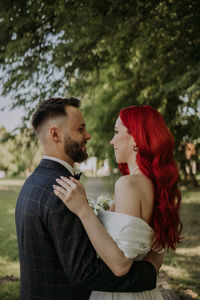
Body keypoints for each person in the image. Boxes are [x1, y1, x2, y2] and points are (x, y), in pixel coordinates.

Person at [15, 98, 162, 300]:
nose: (88, 135)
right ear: (55, 134)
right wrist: (149, 273)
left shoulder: (33, 182)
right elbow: (85, 273)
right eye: (81, 129)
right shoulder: (63, 192)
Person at [53, 105, 183, 300]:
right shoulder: (159, 186)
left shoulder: (128, 184)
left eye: (116, 132)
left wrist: (83, 210)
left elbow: (120, 265)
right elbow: (156, 259)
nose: (112, 141)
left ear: (136, 139)